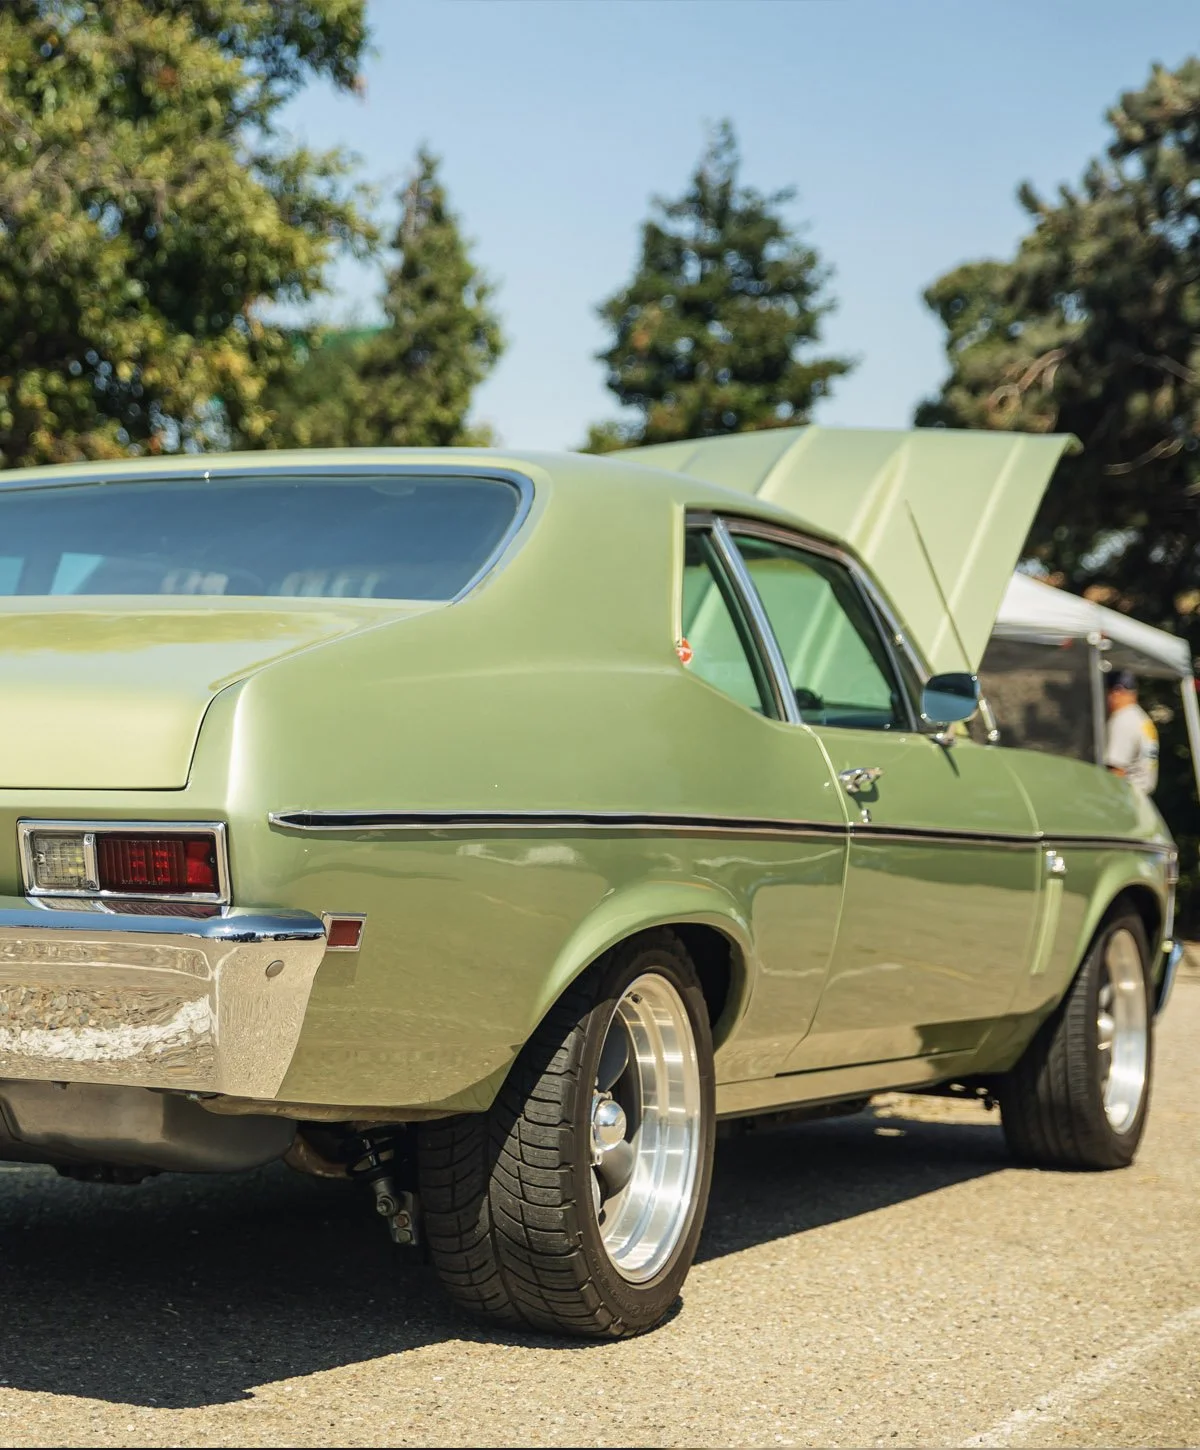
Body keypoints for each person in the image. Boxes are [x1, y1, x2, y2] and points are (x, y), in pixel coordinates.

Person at [1104, 669, 1159, 796]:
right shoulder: (1140, 717)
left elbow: (1116, 771)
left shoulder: (1123, 719)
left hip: (1127, 796)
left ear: (1117, 692)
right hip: (1142, 798)